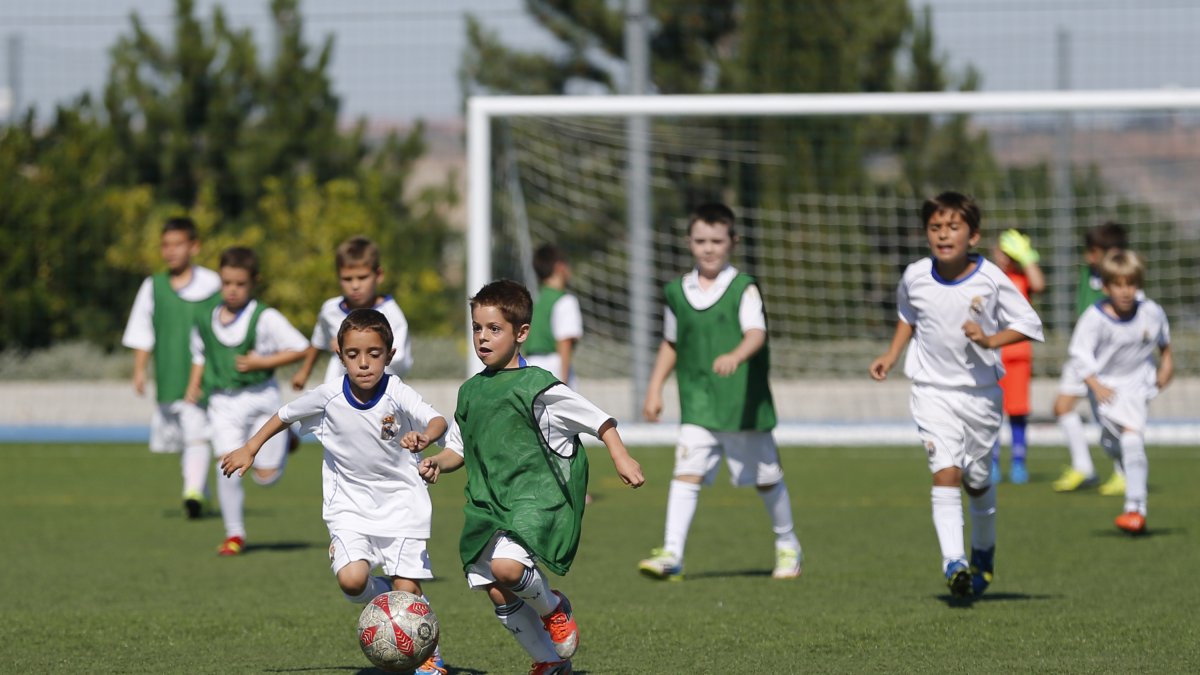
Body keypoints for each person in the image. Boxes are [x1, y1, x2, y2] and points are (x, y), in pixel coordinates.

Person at [418, 279, 644, 675]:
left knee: (507, 568)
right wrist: (439, 460)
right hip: (488, 503)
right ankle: (549, 661)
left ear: (521, 333)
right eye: (476, 328)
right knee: (495, 586)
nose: (483, 338)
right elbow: (459, 448)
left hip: (533, 499)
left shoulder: (538, 386)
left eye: (494, 329)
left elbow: (598, 420)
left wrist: (620, 455)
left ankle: (554, 608)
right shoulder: (470, 392)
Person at [220, 308, 449, 674]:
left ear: (389, 356)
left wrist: (426, 436)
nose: (363, 363)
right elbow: (285, 415)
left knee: (408, 591)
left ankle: (427, 654)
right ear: (340, 355)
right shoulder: (327, 395)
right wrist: (251, 447)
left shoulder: (397, 391)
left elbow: (437, 419)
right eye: (353, 354)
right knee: (353, 581)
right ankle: (393, 606)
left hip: (404, 505)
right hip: (349, 508)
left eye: (374, 354)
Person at [869, 191, 1043, 599]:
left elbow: (1029, 323)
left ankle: (983, 552)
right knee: (945, 471)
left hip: (981, 396)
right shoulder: (914, 275)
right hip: (931, 390)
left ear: (974, 236)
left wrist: (990, 339)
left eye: (953, 227)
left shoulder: (992, 278)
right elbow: (907, 315)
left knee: (978, 482)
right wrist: (892, 354)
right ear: (926, 233)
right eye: (935, 228)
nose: (943, 235)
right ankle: (954, 561)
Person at [637, 203, 804, 582]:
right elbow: (671, 343)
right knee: (686, 473)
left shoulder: (743, 288)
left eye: (716, 240)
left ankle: (787, 543)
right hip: (698, 402)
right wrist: (654, 389)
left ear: (732, 242)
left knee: (766, 478)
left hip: (743, 404)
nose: (708, 248)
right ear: (688, 243)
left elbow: (756, 334)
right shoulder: (678, 292)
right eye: (700, 240)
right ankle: (672, 553)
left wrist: (736, 355)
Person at [184, 247, 309, 556]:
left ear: (254, 282)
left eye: (240, 284)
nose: (232, 290)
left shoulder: (265, 317)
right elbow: (200, 353)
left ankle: (286, 439)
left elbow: (301, 348)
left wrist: (261, 362)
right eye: (227, 283)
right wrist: (194, 383)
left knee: (265, 477)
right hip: (222, 403)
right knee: (227, 464)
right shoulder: (205, 317)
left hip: (261, 401)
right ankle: (234, 534)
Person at [1062, 249, 1171, 534]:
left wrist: (1166, 366)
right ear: (1106, 286)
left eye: (1131, 284)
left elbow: (1164, 342)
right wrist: (1095, 385)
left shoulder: (1151, 312)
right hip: (1105, 389)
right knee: (1112, 443)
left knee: (1132, 439)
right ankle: (1126, 479)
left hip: (1137, 386)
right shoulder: (1094, 319)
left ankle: (1135, 508)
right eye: (1118, 285)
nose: (1125, 291)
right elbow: (1078, 355)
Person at [121, 216, 222, 518]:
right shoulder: (154, 286)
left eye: (178, 244)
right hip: (169, 371)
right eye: (166, 245)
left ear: (194, 246)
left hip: (208, 375)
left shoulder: (214, 284)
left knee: (197, 431)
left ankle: (192, 490)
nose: (171, 251)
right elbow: (143, 330)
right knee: (183, 437)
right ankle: (199, 492)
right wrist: (139, 370)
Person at [1052, 222, 1132, 494]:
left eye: (1094, 251)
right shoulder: (1089, 272)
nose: (1088, 256)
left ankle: (1124, 472)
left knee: (1108, 419)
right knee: (1062, 406)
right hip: (1081, 355)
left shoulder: (1123, 284)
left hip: (1105, 361)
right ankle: (1083, 467)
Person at [291, 235, 413, 391]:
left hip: (379, 396)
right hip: (337, 393)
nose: (355, 285)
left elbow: (398, 359)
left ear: (379, 275)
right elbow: (318, 342)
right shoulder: (330, 310)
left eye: (362, 277)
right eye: (347, 279)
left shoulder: (392, 315)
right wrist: (304, 372)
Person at [990, 229, 1045, 484]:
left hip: (1018, 355)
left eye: (1007, 253)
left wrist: (1027, 257)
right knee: (990, 411)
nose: (1003, 257)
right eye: (1000, 251)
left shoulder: (1022, 278)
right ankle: (991, 463)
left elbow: (1040, 285)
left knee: (1018, 412)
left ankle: (1019, 463)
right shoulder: (989, 278)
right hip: (990, 354)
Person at [524, 244, 583, 388]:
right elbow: (564, 341)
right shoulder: (565, 300)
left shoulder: (534, 301)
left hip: (528, 367)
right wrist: (564, 383)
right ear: (560, 267)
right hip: (554, 369)